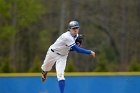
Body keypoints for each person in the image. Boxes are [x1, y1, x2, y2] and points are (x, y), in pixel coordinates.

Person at [41, 20, 95, 93]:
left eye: (77, 28)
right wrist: (89, 52)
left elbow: (72, 49)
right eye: (73, 28)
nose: (75, 30)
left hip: (63, 56)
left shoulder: (77, 36)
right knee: (46, 68)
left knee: (60, 75)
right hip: (52, 53)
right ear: (69, 29)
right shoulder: (67, 36)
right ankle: (45, 72)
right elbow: (77, 49)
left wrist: (78, 44)